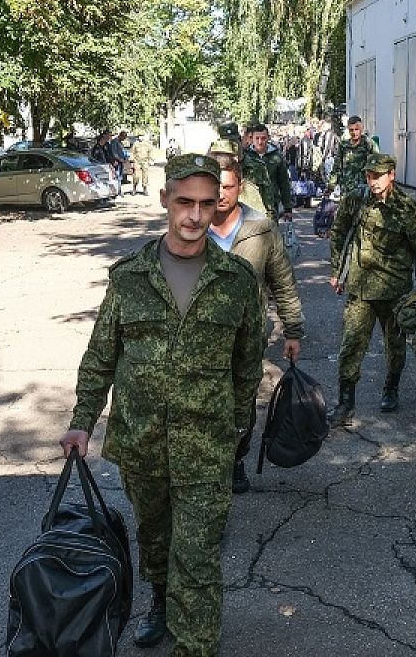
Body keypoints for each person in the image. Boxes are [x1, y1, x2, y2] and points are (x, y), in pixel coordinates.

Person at [59, 153, 264, 656]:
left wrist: (235, 427)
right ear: (164, 202)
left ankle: (192, 644)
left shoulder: (236, 280)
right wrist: (81, 422)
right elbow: (101, 355)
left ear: (219, 204)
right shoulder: (129, 277)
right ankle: (160, 602)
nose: (195, 215)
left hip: (205, 447)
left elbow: (248, 363)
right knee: (155, 539)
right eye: (184, 203)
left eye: (206, 204)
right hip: (141, 441)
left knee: (196, 556)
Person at [208, 154, 304, 493]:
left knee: (242, 404)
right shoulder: (191, 224)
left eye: (228, 186)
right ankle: (206, 466)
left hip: (247, 339)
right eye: (214, 186)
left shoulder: (261, 229)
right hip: (197, 340)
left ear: (241, 186)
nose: (220, 194)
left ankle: (235, 459)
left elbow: (283, 282)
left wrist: (292, 330)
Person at [327, 154, 416, 425]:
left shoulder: (407, 208)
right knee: (351, 344)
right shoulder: (356, 201)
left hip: (395, 291)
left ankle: (391, 388)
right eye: (369, 176)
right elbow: (338, 232)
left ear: (391, 174)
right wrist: (337, 271)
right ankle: (345, 403)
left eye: (378, 176)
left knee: (396, 346)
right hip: (360, 288)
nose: (373, 182)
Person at [244, 123, 293, 221]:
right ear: (252, 138)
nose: (260, 142)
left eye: (263, 138)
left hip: (270, 207)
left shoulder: (277, 157)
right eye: (257, 138)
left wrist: (287, 208)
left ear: (268, 138)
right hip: (250, 207)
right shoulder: (246, 157)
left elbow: (284, 183)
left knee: (270, 235)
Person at [207, 139, 265, 214]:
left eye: (228, 156)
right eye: (217, 156)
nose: (221, 196)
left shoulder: (250, 192)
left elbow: (260, 221)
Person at [329, 116, 379, 196]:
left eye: (357, 129)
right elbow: (337, 167)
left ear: (361, 128)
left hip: (363, 188)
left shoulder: (369, 144)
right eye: (351, 130)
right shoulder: (344, 145)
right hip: (346, 188)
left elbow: (376, 166)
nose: (354, 132)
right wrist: (331, 186)